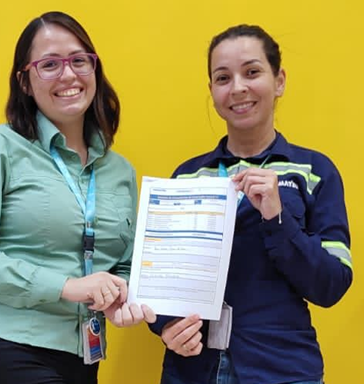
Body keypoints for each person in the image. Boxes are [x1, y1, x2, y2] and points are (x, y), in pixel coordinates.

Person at [0, 11, 155, 384]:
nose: (68, 75)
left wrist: (119, 297)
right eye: (50, 64)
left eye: (79, 60)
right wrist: (66, 287)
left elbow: (122, 262)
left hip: (84, 354)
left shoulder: (120, 170)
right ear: (24, 81)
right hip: (8, 342)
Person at [149, 25, 352, 384]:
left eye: (252, 72)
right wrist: (166, 327)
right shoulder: (187, 177)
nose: (238, 87)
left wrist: (277, 218)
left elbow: (331, 284)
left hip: (283, 369)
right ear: (212, 91)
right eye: (223, 77)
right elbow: (159, 282)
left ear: (279, 81)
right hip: (192, 370)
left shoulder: (314, 171)